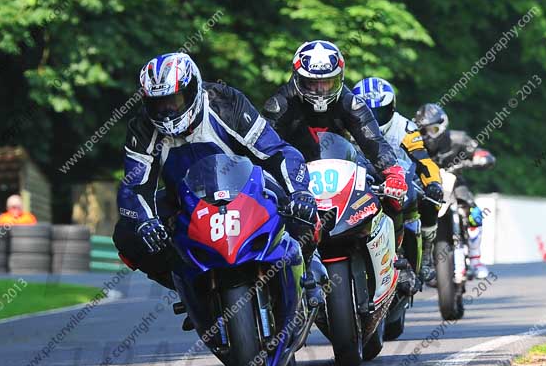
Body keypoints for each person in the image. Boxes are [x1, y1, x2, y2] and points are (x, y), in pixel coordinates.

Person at [114, 52, 327, 306]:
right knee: (126, 234)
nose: (167, 111)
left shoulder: (224, 102)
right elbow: (134, 186)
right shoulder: (143, 127)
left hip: (248, 188)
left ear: (193, 89)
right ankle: (191, 287)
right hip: (185, 201)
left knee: (295, 203)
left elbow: (275, 151)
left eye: (174, 100)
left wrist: (299, 191)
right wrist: (145, 222)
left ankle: (309, 265)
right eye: (158, 104)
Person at [262, 41, 408, 212]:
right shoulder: (280, 104)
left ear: (340, 77)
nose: (320, 90)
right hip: (295, 173)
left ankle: (394, 235)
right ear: (297, 79)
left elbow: (373, 140)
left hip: (342, 164)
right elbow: (263, 146)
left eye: (327, 82)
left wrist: (393, 173)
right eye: (311, 83)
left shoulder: (351, 103)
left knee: (394, 198)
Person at [352, 77, 444, 284]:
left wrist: (434, 184)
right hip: (358, 181)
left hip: (399, 180)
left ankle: (421, 257)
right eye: (368, 113)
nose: (374, 119)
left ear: (391, 108)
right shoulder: (346, 124)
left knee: (428, 201)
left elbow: (423, 160)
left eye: (380, 112)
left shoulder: (405, 128)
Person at [413, 103, 496, 279]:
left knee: (474, 213)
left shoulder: (458, 139)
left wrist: (482, 158)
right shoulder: (415, 143)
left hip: (455, 183)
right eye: (423, 131)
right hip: (426, 187)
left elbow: (478, 152)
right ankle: (417, 261)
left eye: (433, 129)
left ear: (443, 126)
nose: (428, 135)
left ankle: (475, 259)